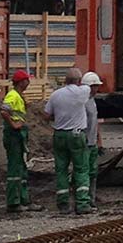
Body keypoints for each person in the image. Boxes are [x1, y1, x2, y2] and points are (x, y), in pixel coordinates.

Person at [42, 68, 94, 214]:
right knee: (81, 169)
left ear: (65, 80)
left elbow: (46, 115)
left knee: (61, 170)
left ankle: (63, 204)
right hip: (77, 135)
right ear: (79, 81)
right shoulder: (82, 91)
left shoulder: (55, 95)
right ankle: (82, 203)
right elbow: (90, 90)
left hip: (59, 135)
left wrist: (59, 118)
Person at [0, 70, 32, 212]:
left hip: (18, 134)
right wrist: (13, 124)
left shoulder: (18, 96)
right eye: (27, 80)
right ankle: (13, 202)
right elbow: (4, 111)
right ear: (21, 82)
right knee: (15, 168)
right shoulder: (12, 95)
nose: (28, 83)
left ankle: (23, 199)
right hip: (14, 135)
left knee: (21, 167)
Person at [81, 71, 104, 206]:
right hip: (85, 143)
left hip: (92, 143)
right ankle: (84, 198)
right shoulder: (83, 102)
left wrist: (99, 140)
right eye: (95, 86)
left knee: (93, 172)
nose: (97, 89)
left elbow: (95, 122)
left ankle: (92, 198)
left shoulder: (92, 101)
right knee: (84, 171)